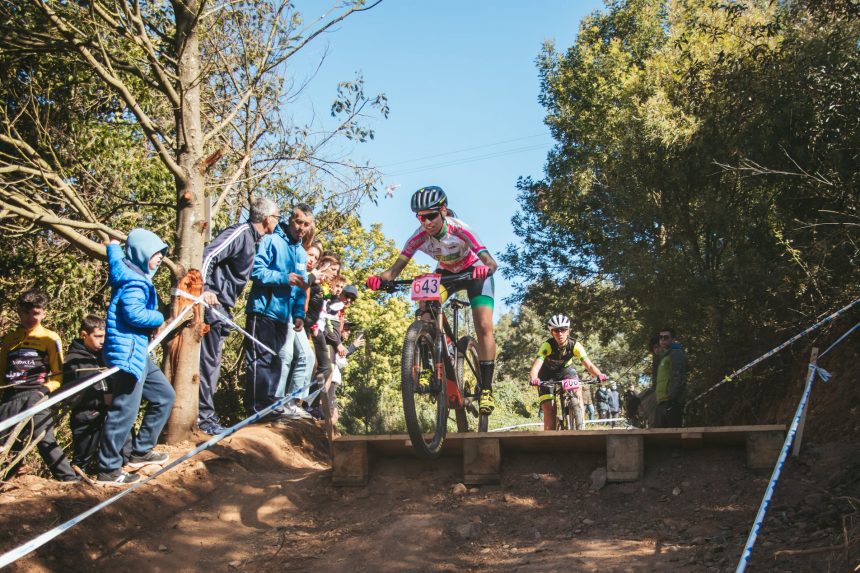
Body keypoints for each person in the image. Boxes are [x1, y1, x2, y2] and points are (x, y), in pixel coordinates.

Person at [366, 186, 499, 414]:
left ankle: (486, 388)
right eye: (420, 217)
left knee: (484, 326)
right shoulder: (418, 236)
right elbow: (394, 270)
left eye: (430, 215)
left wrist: (485, 269)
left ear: (443, 211)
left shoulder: (460, 229)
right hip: (448, 274)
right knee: (425, 300)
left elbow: (490, 262)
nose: (426, 222)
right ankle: (431, 351)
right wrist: (379, 280)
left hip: (474, 272)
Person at [98, 230, 175, 484]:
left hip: (137, 351)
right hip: (127, 353)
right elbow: (134, 315)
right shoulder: (135, 282)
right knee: (124, 410)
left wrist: (113, 246)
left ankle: (141, 451)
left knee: (164, 395)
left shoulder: (127, 270)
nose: (160, 259)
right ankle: (109, 469)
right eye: (156, 255)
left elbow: (116, 261)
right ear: (142, 254)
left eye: (162, 255)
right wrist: (160, 317)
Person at [197, 197, 280, 435]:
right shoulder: (241, 233)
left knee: (213, 362)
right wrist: (204, 288)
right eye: (277, 217)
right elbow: (209, 255)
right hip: (213, 304)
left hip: (224, 307)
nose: (277, 222)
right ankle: (204, 418)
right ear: (267, 218)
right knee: (208, 362)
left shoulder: (255, 241)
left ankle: (206, 416)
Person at [0, 289, 78, 482]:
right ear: (19, 312)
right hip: (9, 397)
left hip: (36, 395)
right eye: (25, 313)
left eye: (35, 313)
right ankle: (8, 479)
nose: (30, 318)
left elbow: (58, 376)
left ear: (44, 313)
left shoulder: (50, 338)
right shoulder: (10, 339)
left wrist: (41, 393)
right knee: (5, 442)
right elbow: (2, 373)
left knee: (44, 437)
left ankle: (69, 480)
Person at [244, 204, 310, 418]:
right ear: (290, 219)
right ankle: (256, 410)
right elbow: (256, 271)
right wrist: (284, 278)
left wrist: (299, 313)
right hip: (263, 310)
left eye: (306, 225)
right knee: (260, 361)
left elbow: (301, 287)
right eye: (298, 222)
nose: (301, 228)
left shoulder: (301, 253)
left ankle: (270, 406)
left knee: (276, 362)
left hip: (285, 316)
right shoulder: (271, 240)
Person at [61, 314, 130, 473]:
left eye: (105, 336)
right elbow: (70, 396)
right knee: (82, 459)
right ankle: (75, 486)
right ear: (84, 334)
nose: (102, 340)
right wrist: (100, 399)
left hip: (111, 414)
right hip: (86, 417)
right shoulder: (73, 360)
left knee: (125, 450)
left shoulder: (107, 355)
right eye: (98, 336)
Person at [527, 314, 607, 431]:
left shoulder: (575, 345)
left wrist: (599, 375)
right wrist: (534, 378)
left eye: (563, 329)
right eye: (556, 330)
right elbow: (535, 367)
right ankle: (550, 442)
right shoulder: (547, 346)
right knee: (550, 410)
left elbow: (589, 365)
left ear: (568, 331)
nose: (560, 333)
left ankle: (579, 422)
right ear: (551, 332)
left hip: (566, 371)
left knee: (577, 390)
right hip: (547, 374)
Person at [654, 327, 687, 428]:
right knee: (660, 437)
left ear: (673, 339)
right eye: (660, 337)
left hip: (672, 402)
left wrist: (672, 397)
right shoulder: (664, 357)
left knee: (674, 435)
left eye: (666, 337)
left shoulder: (676, 353)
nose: (662, 340)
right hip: (661, 401)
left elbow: (678, 376)